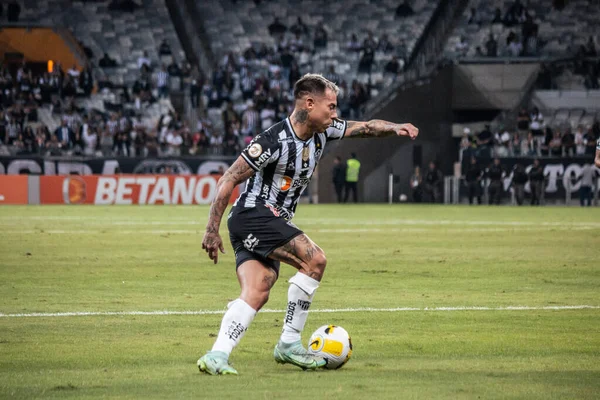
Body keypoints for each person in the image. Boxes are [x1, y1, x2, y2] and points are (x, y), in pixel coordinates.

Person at [197, 73, 418, 375]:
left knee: (258, 290)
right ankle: (289, 343)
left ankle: (216, 355)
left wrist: (396, 128)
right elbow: (229, 179)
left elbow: (365, 127)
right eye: (331, 106)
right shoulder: (272, 141)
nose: (335, 113)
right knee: (315, 260)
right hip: (254, 215)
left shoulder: (323, 132)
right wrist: (211, 230)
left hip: (260, 223)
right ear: (310, 103)